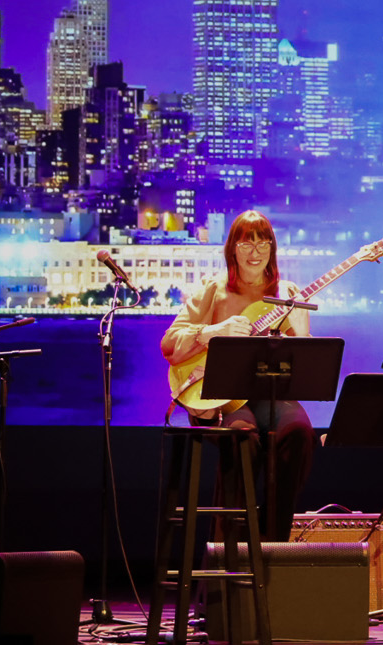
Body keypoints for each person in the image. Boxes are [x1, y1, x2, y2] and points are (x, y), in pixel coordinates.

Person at [161, 210, 315, 539]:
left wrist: (302, 334)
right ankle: (228, 554)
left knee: (299, 433)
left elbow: (305, 366)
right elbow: (169, 344)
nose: (256, 251)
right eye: (247, 243)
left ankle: (274, 543)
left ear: (273, 250)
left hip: (267, 392)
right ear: (233, 248)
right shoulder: (214, 289)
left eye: (264, 243)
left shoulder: (286, 294)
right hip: (219, 395)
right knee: (243, 439)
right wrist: (215, 331)